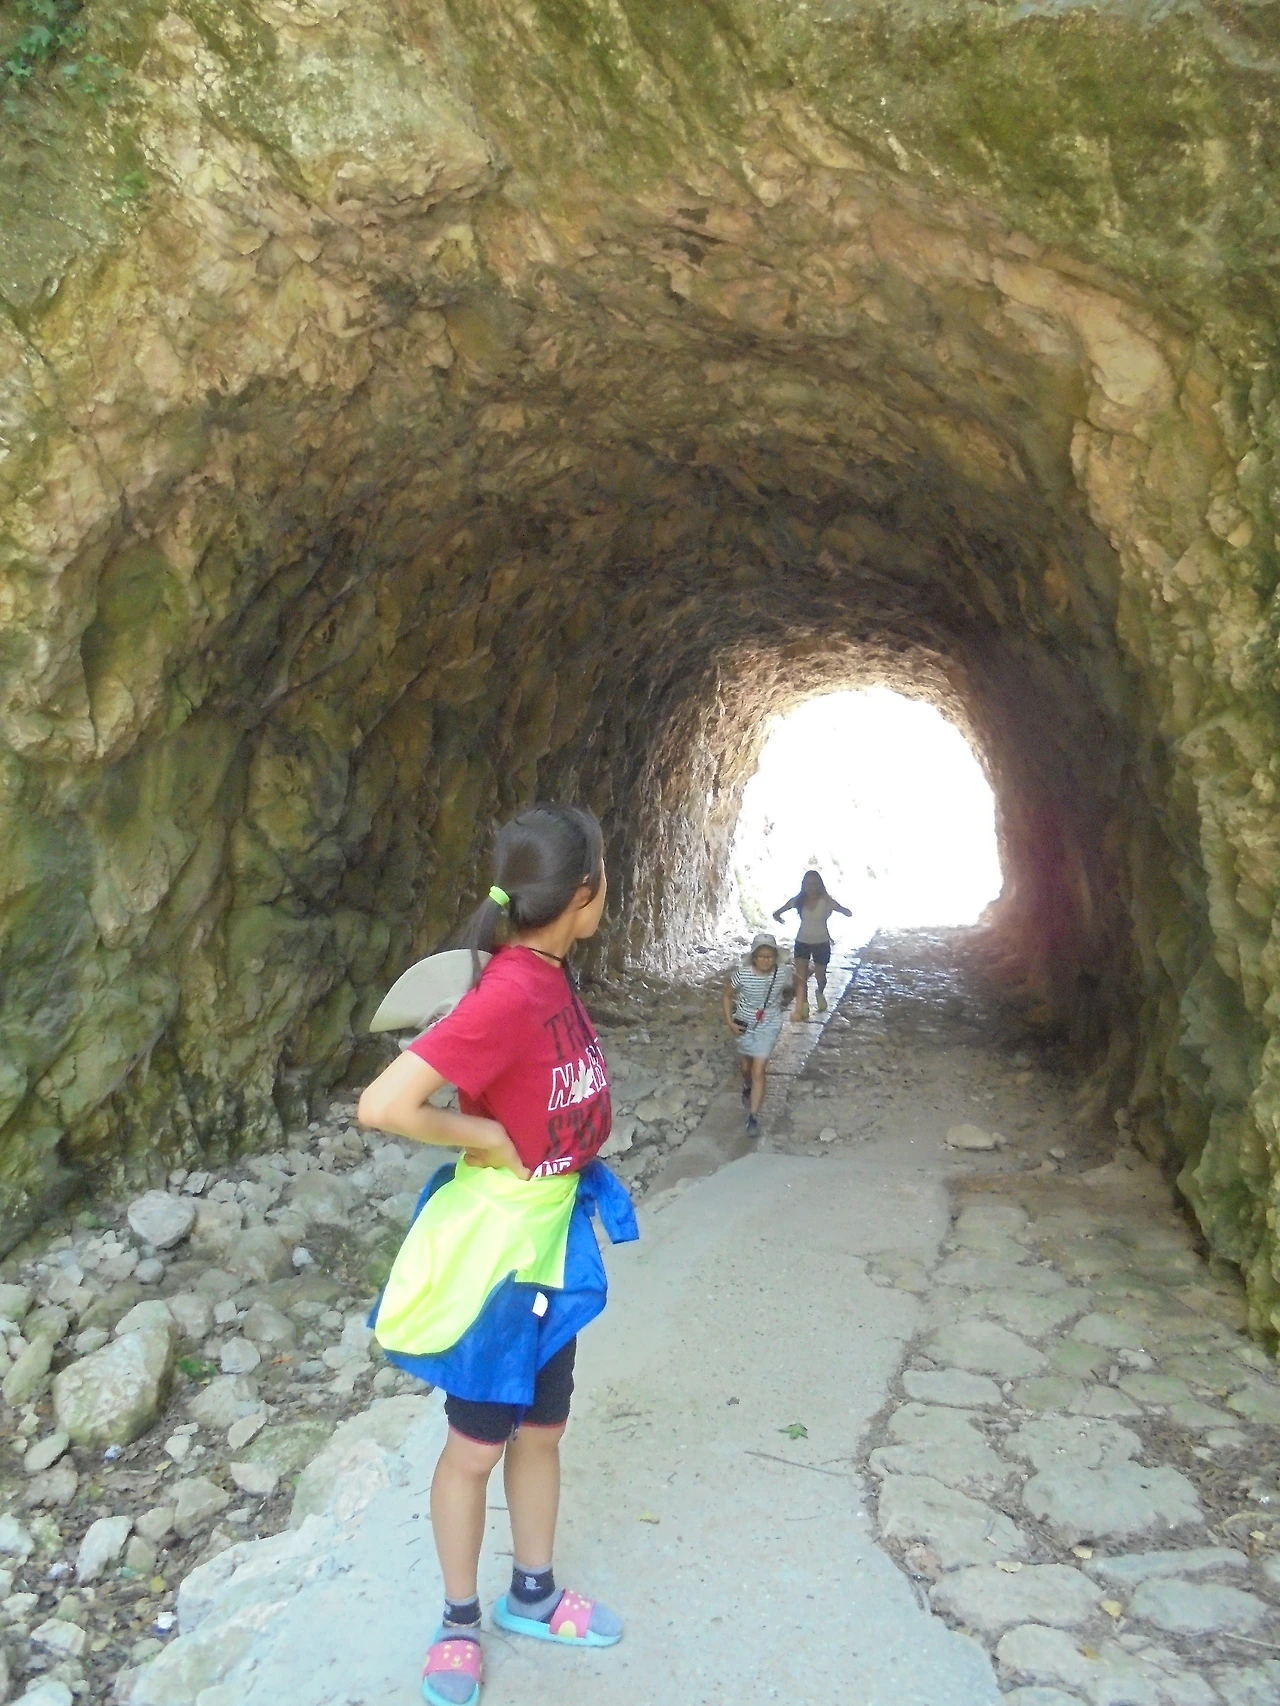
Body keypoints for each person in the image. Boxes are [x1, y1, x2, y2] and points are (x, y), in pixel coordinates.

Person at [357, 804, 637, 1706]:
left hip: (550, 1247)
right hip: (500, 1260)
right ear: (583, 892)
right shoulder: (512, 992)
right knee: (475, 1447)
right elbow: (386, 1104)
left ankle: (532, 1592)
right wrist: (488, 1133)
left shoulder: (548, 975)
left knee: (544, 1428)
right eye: (605, 876)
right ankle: (457, 1620)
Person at [722, 932, 792, 1136]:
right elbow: (726, 996)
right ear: (754, 957)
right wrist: (730, 1022)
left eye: (769, 956)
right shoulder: (742, 974)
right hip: (744, 1023)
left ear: (775, 957)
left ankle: (753, 1116)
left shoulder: (782, 973)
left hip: (770, 1023)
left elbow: (798, 983)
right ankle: (747, 1084)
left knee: (759, 1069)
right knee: (746, 1066)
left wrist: (801, 1004)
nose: (765, 960)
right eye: (761, 956)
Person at [773, 869, 852, 1020]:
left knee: (820, 976)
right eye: (808, 884)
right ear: (804, 885)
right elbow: (778, 912)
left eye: (814, 884)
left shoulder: (826, 901)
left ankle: (820, 992)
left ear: (819, 885)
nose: (811, 887)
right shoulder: (799, 900)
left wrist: (842, 910)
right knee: (800, 977)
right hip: (802, 941)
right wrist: (779, 917)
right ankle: (804, 1006)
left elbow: (846, 911)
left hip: (821, 943)